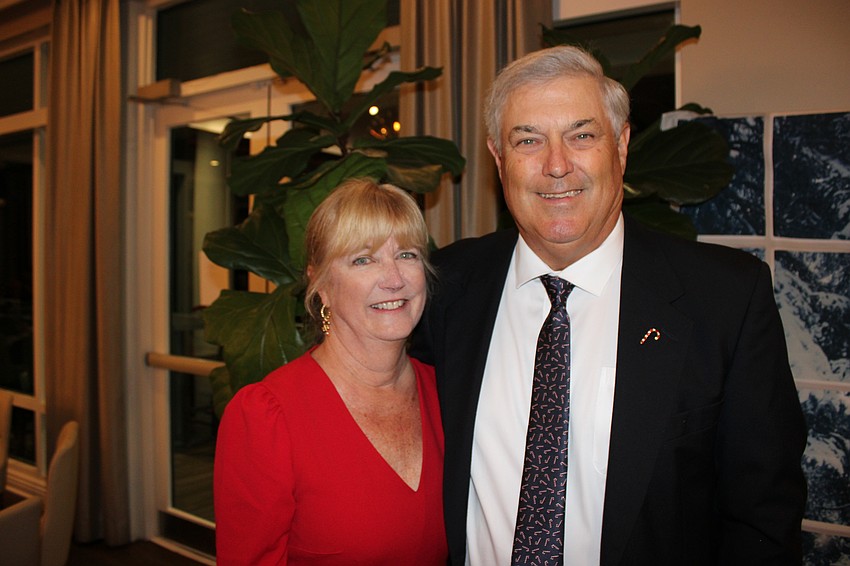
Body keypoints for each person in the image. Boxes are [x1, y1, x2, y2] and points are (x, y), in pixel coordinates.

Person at [410, 45, 807, 566]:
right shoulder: (446, 286)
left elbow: (763, 518)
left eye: (582, 136)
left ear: (620, 146)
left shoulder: (725, 300)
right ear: (498, 158)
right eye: (528, 140)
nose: (556, 165)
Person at [214, 179, 447, 565]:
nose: (394, 279)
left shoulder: (446, 392)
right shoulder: (268, 416)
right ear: (320, 283)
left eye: (407, 254)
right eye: (363, 260)